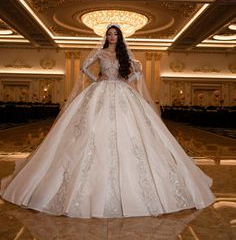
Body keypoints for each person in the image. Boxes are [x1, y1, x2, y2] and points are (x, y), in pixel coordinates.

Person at [0, 24, 215, 218]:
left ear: (120, 37)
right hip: (100, 92)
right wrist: (96, 78)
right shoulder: (100, 52)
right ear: (106, 37)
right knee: (89, 132)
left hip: (122, 92)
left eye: (115, 34)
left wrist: (126, 79)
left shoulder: (125, 54)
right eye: (109, 34)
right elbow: (83, 67)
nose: (112, 36)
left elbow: (138, 71)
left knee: (131, 133)